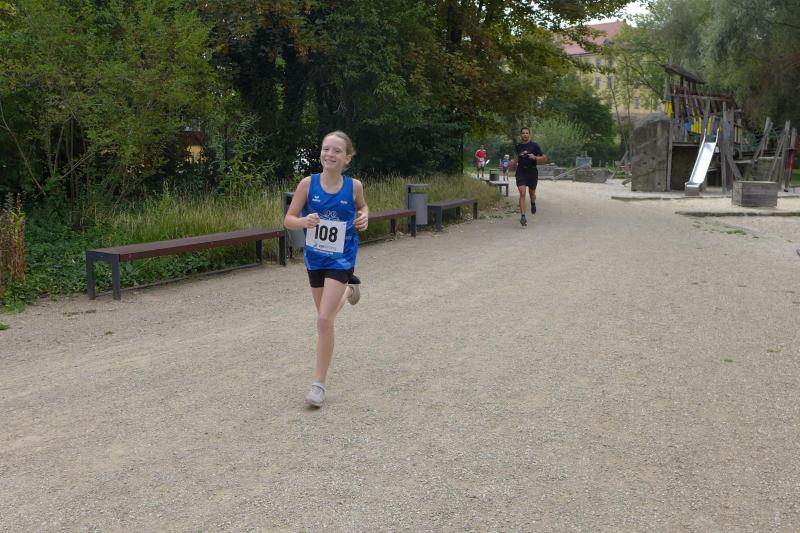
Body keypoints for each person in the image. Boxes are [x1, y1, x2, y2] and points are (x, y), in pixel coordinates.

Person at [284, 131, 369, 407]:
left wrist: (364, 217)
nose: (330, 154)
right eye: (326, 149)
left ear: (347, 158)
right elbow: (288, 219)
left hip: (341, 258)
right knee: (326, 317)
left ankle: (318, 385)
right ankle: (349, 291)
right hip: (315, 259)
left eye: (337, 151)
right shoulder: (307, 184)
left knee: (322, 320)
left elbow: (363, 208)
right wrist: (303, 221)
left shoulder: (354, 186)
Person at [514, 127, 546, 226]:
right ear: (520, 135)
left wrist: (535, 157)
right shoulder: (518, 146)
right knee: (522, 193)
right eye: (523, 133)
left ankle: (533, 202)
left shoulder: (534, 145)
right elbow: (517, 158)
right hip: (521, 171)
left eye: (527, 133)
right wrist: (512, 162)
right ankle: (523, 216)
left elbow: (544, 157)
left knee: (532, 194)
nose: (525, 135)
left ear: (529, 134)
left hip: (532, 172)